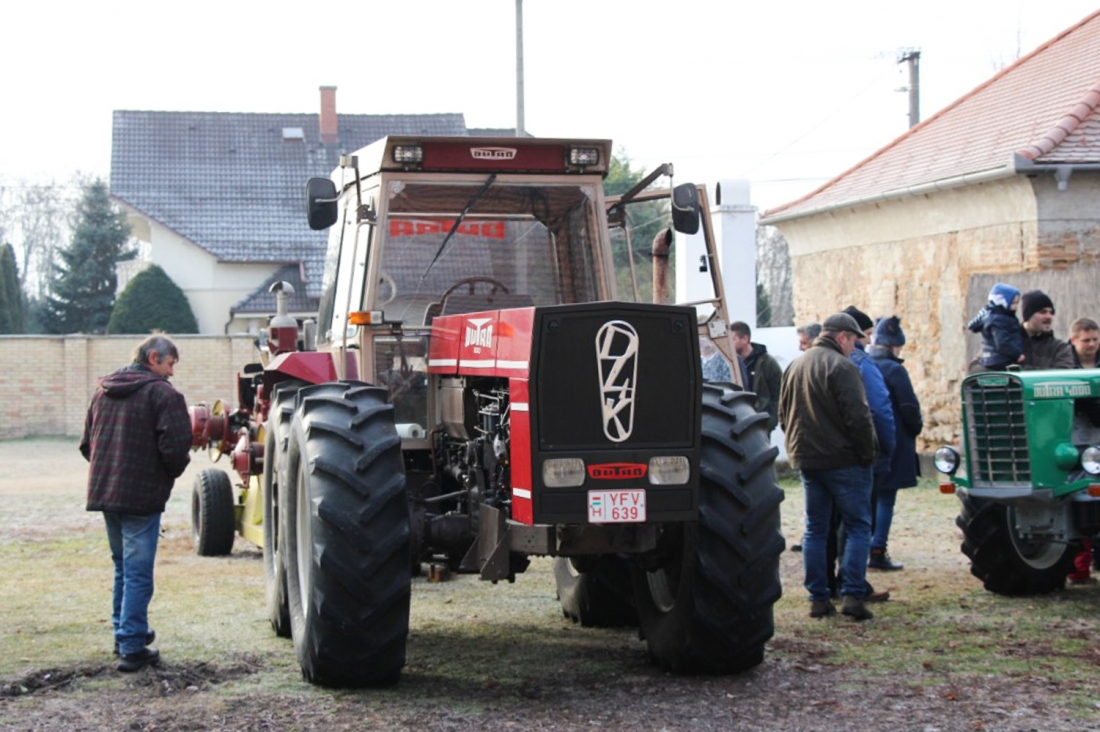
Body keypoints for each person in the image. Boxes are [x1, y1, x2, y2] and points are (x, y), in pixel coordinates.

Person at [80, 334, 192, 672]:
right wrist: (165, 475)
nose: (171, 372)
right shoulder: (164, 394)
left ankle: (125, 634)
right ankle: (132, 645)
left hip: (106, 493)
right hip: (141, 497)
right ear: (153, 357)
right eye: (170, 363)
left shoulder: (102, 391)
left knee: (123, 568)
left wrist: (110, 471)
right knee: (138, 573)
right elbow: (176, 447)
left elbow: (87, 445)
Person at [779, 312, 878, 621]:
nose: (855, 347)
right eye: (854, 341)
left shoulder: (796, 365)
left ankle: (818, 599)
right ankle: (852, 594)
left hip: (808, 460)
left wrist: (798, 449)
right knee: (858, 526)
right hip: (844, 460)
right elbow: (859, 417)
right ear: (842, 337)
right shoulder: (842, 367)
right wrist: (868, 453)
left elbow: (783, 414)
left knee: (815, 529)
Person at [868, 316, 924, 572]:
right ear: (894, 345)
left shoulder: (865, 365)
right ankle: (878, 549)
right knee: (886, 499)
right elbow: (909, 407)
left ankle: (867, 547)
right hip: (894, 441)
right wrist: (916, 428)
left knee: (871, 498)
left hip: (869, 441)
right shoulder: (894, 370)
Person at [1067, 317, 1100, 583]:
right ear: (1074, 340)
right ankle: (1079, 567)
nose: (1091, 345)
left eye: (1095, 339)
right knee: (1077, 495)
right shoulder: (1064, 364)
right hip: (1074, 437)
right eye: (1086, 340)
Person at [730, 321, 782, 434]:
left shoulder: (767, 363)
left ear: (745, 339)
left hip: (761, 422)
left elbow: (778, 394)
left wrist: (770, 421)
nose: (729, 344)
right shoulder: (730, 363)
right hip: (736, 422)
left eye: (733, 339)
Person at [967, 283, 1025, 371]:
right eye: (1013, 303)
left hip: (994, 358)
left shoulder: (1003, 317)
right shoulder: (999, 320)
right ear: (1002, 301)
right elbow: (1003, 342)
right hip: (999, 360)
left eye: (1017, 303)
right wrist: (1017, 355)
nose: (1016, 306)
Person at [1019, 289, 1075, 370]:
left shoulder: (1060, 348)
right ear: (1028, 315)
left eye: (1051, 313)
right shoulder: (1008, 344)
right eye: (1043, 312)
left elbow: (1063, 375)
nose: (1049, 317)